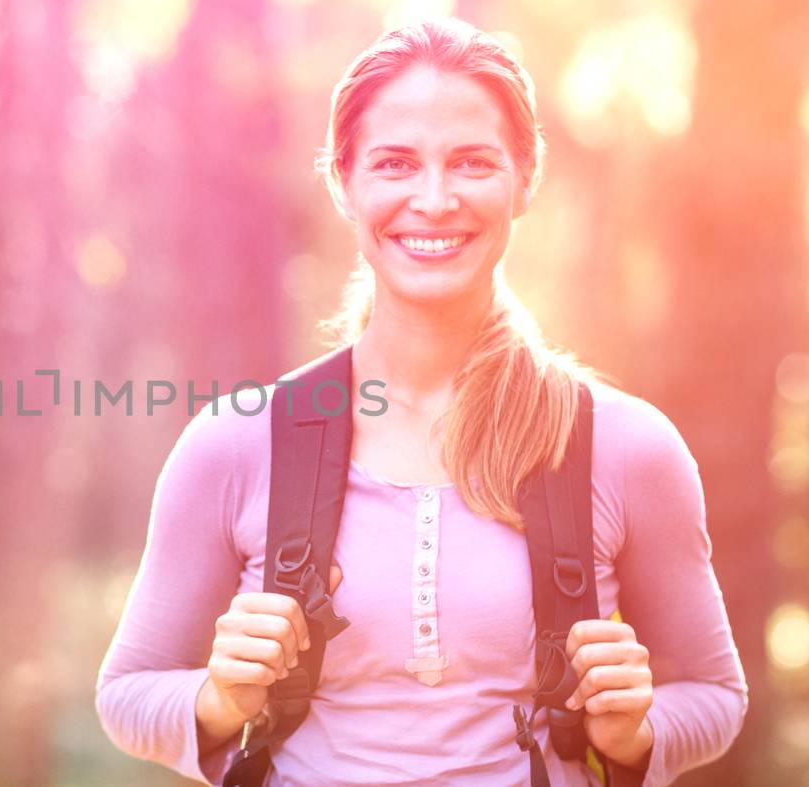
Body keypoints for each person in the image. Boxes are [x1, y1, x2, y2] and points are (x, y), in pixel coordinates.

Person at [95, 18, 748, 786]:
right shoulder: (238, 442)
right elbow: (126, 693)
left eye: (472, 163)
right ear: (343, 183)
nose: (434, 200)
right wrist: (217, 697)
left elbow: (715, 694)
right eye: (395, 164)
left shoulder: (626, 446)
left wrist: (635, 731)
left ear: (525, 178)